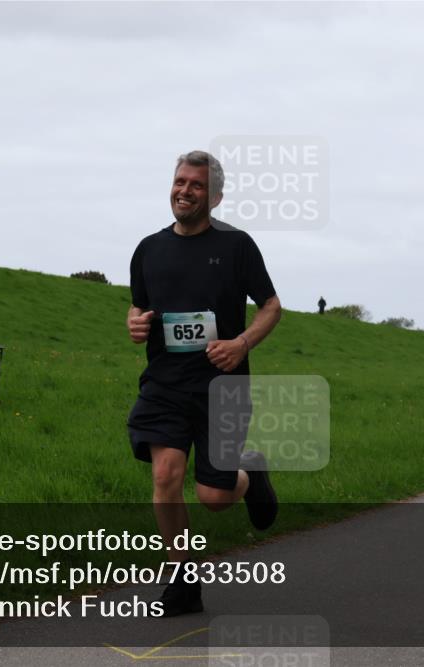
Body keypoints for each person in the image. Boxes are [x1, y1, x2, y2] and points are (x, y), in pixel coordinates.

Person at [126, 150, 282, 617]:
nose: (185, 191)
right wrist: (134, 322)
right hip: (165, 384)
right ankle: (183, 581)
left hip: (222, 386)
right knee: (165, 476)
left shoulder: (237, 246)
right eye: (180, 182)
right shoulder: (148, 249)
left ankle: (249, 475)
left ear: (215, 197)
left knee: (213, 499)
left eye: (196, 185)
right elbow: (138, 306)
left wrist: (242, 343)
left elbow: (271, 306)